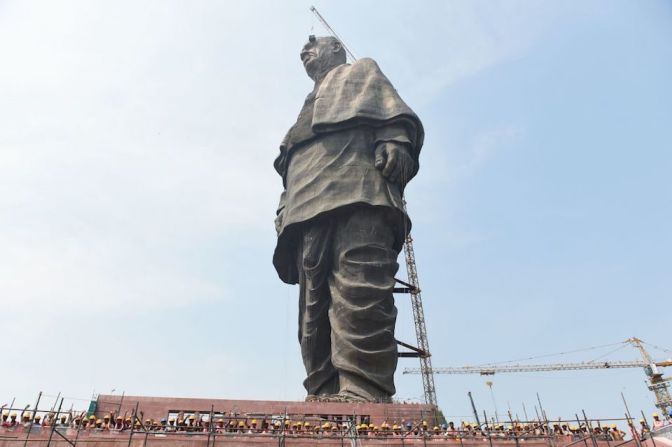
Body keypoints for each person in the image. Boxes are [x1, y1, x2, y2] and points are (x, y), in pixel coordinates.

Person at [273, 35, 423, 403]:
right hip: (306, 202)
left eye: (314, 45)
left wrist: (395, 140)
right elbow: (289, 162)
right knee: (313, 307)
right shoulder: (304, 108)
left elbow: (393, 117)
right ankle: (323, 390)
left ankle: (363, 388)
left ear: (336, 49)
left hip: (359, 190)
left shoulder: (361, 71)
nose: (306, 49)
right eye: (301, 50)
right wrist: (283, 207)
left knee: (360, 288)